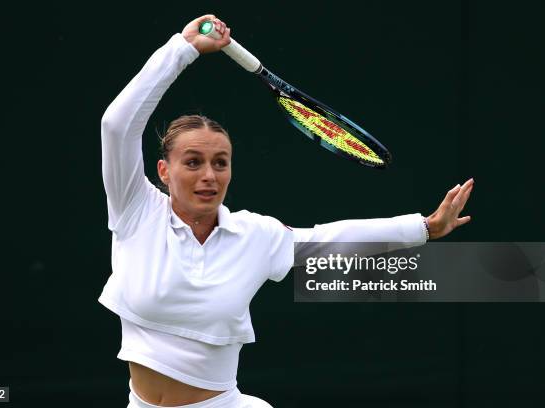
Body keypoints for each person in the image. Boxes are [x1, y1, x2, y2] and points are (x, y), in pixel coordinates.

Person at [98, 14, 474, 408]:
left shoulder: (255, 236)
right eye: (193, 162)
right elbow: (117, 125)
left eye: (220, 162)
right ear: (164, 170)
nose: (209, 175)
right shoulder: (136, 210)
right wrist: (183, 49)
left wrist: (424, 228)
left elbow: (328, 241)